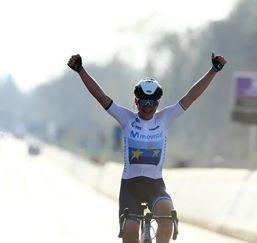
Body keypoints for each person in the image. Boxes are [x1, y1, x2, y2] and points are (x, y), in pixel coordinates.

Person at [67, 52, 227, 243]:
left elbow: (191, 96)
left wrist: (213, 71)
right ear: (136, 101)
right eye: (143, 101)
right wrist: (80, 70)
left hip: (155, 185)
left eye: (152, 102)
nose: (148, 107)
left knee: (168, 219)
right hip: (130, 187)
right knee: (131, 231)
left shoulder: (165, 119)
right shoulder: (126, 118)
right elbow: (101, 97)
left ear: (157, 103)